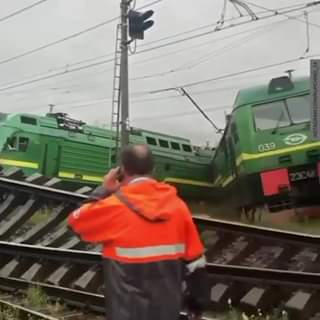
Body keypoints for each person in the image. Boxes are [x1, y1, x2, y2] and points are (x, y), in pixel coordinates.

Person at [68, 144, 206, 320]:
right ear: (153, 170)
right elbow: (196, 263)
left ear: (122, 171)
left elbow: (75, 223)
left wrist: (104, 190)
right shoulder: (178, 207)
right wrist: (196, 305)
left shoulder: (114, 206)